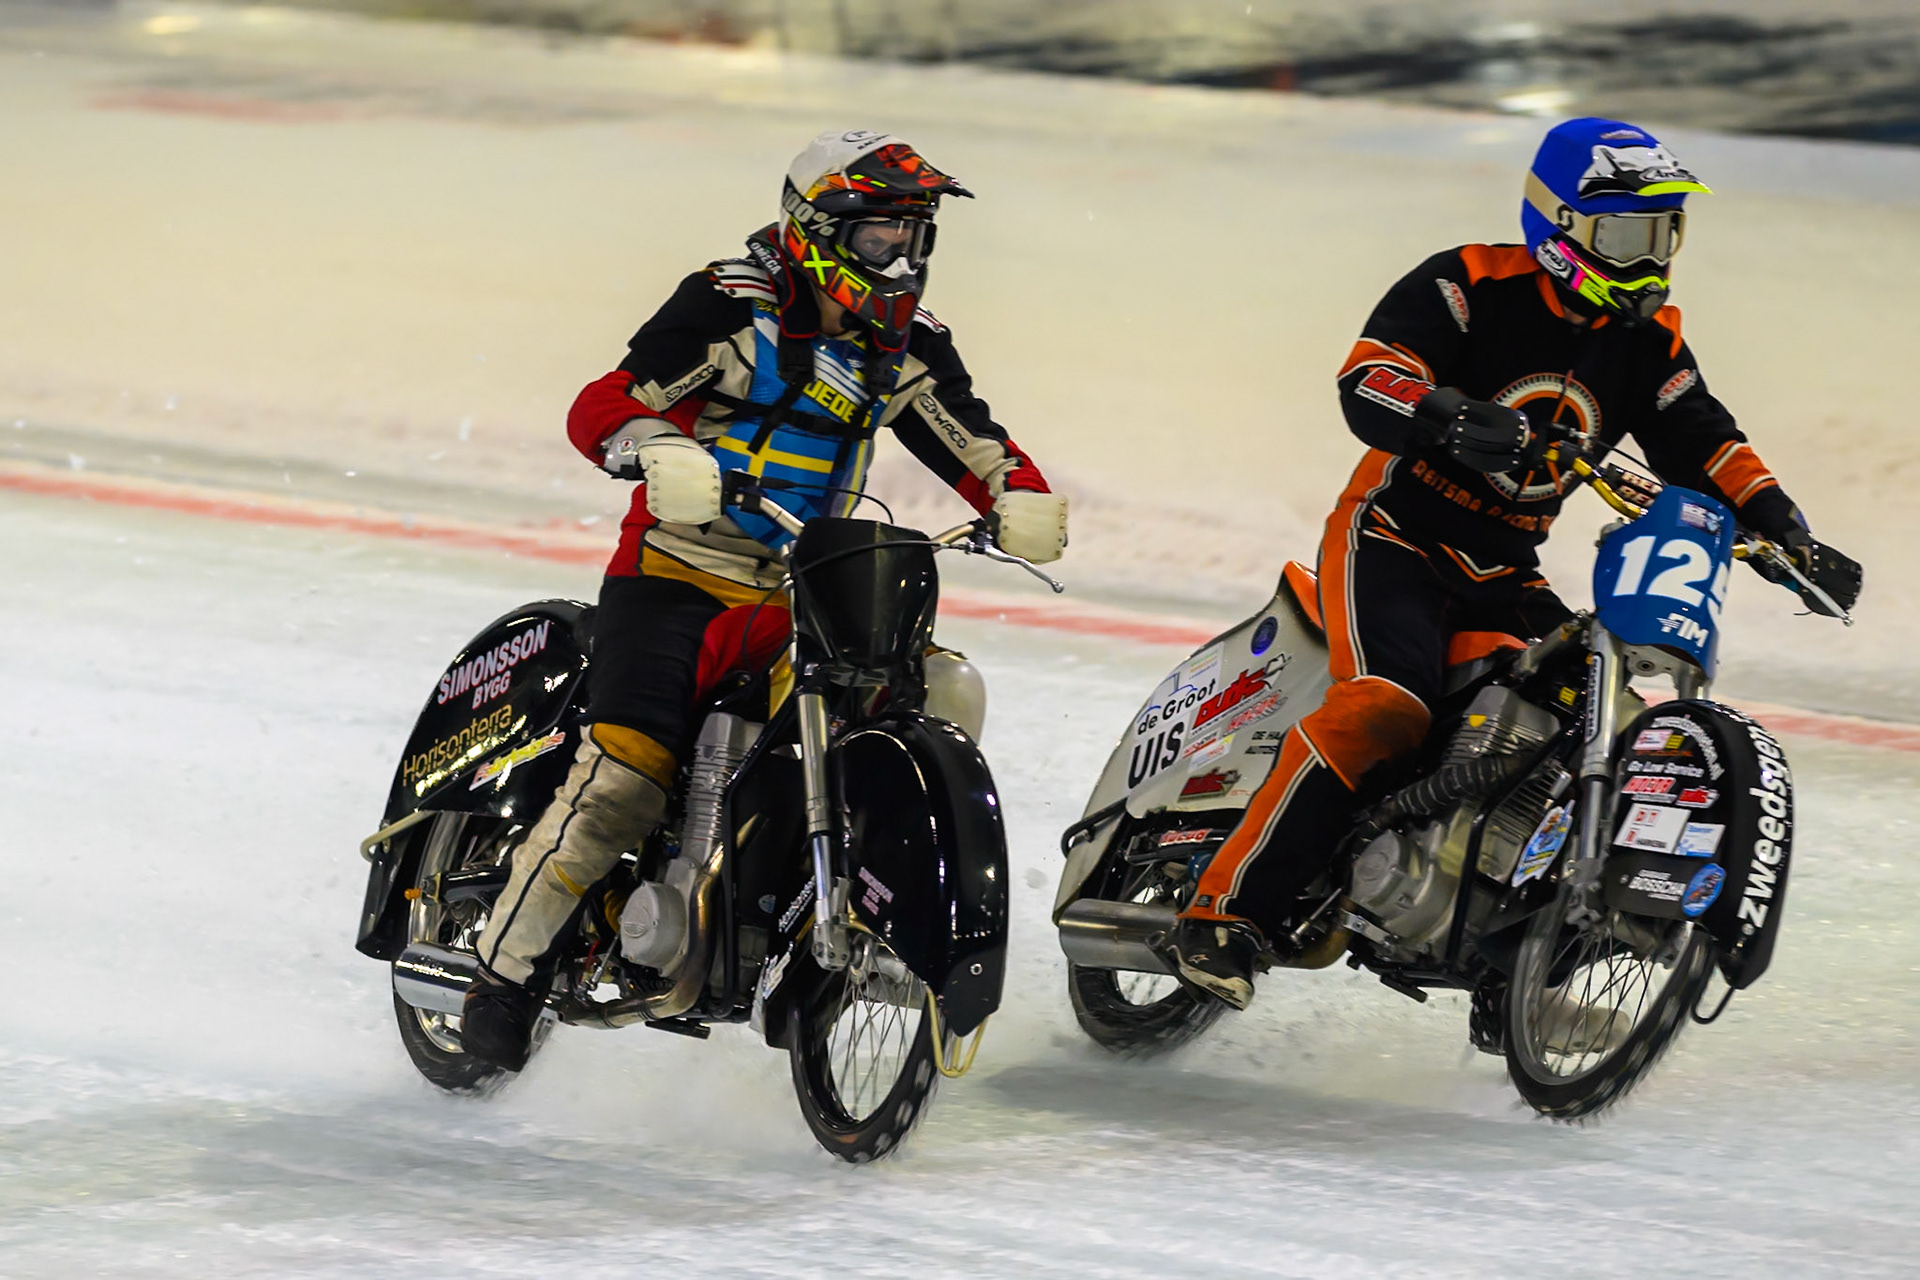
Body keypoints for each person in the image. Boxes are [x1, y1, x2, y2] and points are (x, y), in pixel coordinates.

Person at [1159, 117, 1862, 1010]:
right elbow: (1368, 378)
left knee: (1580, 724)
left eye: (1663, 233)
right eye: (1626, 235)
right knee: (1386, 707)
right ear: (1562, 228)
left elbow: (1705, 440)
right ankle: (1226, 916)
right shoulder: (1469, 285)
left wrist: (1784, 527)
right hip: (1395, 540)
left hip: (1504, 572)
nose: (1649, 259)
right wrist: (1442, 412)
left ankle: (1510, 964)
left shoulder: (1649, 344)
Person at [460, 129, 1068, 1068]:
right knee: (622, 782)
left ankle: (841, 895)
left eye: (915, 239)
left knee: (944, 692)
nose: (902, 261)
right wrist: (657, 448)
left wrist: (1016, 493)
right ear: (816, 229)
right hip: (675, 577)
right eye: (881, 239)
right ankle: (502, 973)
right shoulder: (729, 304)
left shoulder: (906, 343)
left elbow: (968, 434)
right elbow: (609, 400)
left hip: (808, 589)